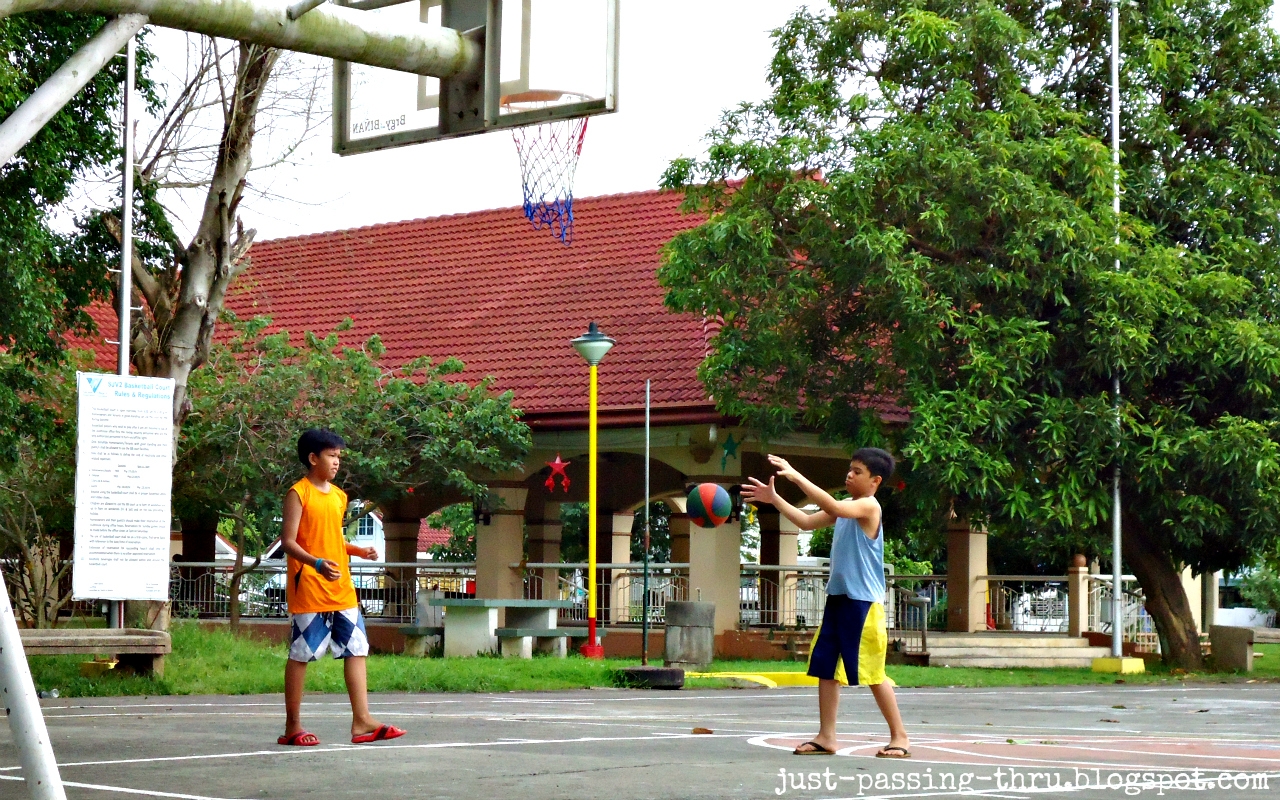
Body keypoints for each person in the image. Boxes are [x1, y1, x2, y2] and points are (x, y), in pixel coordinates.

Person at [742, 448, 910, 758]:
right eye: (849, 469)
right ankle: (826, 736)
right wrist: (775, 499)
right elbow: (806, 522)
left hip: (863, 605)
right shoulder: (845, 506)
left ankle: (900, 737)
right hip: (839, 600)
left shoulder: (869, 507)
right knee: (827, 669)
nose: (849, 474)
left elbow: (829, 504)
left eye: (857, 471)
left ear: (875, 481)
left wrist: (794, 475)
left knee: (873, 673)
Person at [277, 428, 405, 746]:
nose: (336, 463)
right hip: (309, 588)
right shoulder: (298, 494)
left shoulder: (339, 496)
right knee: (302, 654)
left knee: (357, 648)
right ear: (312, 458)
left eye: (338, 457)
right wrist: (317, 564)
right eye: (331, 456)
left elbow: (330, 539)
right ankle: (293, 726)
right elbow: (289, 542)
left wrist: (357, 551)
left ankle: (362, 721)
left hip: (342, 588)